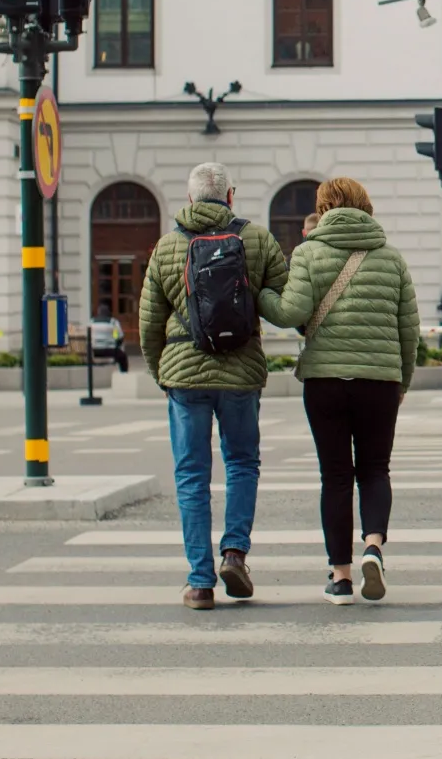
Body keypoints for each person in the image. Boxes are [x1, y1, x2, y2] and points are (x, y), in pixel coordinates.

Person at [139, 162, 290, 610]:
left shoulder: (166, 247)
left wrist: (162, 372)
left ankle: (200, 581)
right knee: (242, 464)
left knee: (191, 475)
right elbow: (283, 301)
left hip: (184, 376)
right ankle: (235, 554)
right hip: (241, 373)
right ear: (230, 196)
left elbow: (149, 323)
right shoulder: (257, 240)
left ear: (189, 199)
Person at [264, 177, 418, 607]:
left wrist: (261, 295)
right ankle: (373, 547)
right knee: (375, 470)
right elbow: (409, 331)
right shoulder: (391, 258)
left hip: (326, 382)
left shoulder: (308, 252)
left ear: (324, 207)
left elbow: (291, 311)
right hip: (380, 381)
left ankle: (341, 577)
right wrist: (401, 381)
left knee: (335, 476)